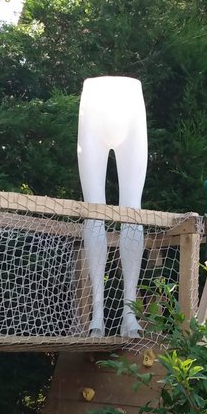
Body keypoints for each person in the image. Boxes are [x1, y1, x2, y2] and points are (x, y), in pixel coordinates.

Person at [77, 76, 148, 337]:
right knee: (93, 210)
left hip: (130, 106)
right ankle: (97, 313)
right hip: (94, 109)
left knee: (132, 211)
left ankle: (128, 314)